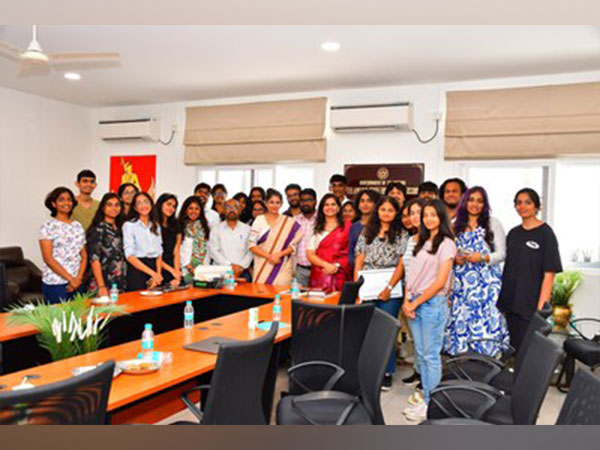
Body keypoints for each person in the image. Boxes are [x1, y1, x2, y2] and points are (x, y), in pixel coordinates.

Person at [402, 199, 456, 421]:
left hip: (432, 304)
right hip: (414, 301)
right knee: (421, 355)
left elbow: (440, 281)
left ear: (441, 217)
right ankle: (425, 398)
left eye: (433, 214)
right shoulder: (420, 241)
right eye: (425, 215)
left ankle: (432, 405)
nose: (428, 219)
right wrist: (407, 299)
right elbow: (411, 273)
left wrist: (414, 303)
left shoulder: (447, 244)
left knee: (431, 356)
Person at [444, 187, 509, 357]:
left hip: (486, 285)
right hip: (462, 285)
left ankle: (487, 363)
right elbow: (448, 254)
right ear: (465, 201)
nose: (475, 204)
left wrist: (481, 257)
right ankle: (464, 365)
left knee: (486, 322)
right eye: (471, 199)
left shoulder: (493, 223)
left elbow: (502, 254)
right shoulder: (454, 224)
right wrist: (456, 259)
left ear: (485, 204)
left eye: (480, 201)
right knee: (463, 320)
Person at [498, 188, 562, 353]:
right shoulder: (513, 233)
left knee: (529, 352)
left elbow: (549, 274)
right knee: (514, 349)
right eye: (518, 203)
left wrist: (541, 311)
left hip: (530, 305)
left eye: (527, 202)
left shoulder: (546, 234)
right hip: (511, 302)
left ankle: (527, 379)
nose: (522, 206)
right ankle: (515, 379)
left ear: (537, 207)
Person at [354, 196, 407, 390]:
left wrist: (390, 287)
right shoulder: (367, 231)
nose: (386, 213)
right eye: (383, 209)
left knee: (386, 329)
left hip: (389, 284)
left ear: (396, 213)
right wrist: (357, 285)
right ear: (378, 211)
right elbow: (359, 257)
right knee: (367, 329)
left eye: (390, 210)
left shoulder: (402, 233)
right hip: (367, 282)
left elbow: (402, 263)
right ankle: (368, 369)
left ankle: (387, 371)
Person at [39, 187, 87, 304]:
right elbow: (48, 259)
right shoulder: (47, 227)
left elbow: (84, 256)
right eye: (61, 200)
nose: (66, 203)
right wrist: (71, 279)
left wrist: (78, 279)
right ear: (53, 204)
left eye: (69, 200)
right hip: (56, 284)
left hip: (78, 283)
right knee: (58, 321)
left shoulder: (77, 226)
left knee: (79, 320)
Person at [399, 198, 427, 389]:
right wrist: (407, 298)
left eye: (419, 213)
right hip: (410, 294)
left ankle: (427, 380)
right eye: (412, 213)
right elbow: (407, 269)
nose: (414, 217)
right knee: (416, 339)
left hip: (427, 296)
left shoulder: (433, 239)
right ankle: (418, 371)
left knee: (427, 343)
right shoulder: (411, 239)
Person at [248, 189, 303, 285]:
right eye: (271, 202)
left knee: (282, 295)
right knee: (262, 294)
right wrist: (269, 257)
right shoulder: (259, 220)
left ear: (281, 204)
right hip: (263, 264)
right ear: (265, 203)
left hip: (282, 265)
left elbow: (293, 246)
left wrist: (279, 255)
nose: (274, 205)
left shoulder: (289, 222)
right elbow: (251, 245)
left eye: (277, 203)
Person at [307, 194, 351, 292]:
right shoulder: (315, 227)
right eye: (326, 205)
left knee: (338, 304)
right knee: (318, 304)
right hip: (319, 272)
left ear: (339, 208)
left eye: (333, 204)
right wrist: (325, 265)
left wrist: (336, 265)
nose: (330, 207)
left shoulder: (348, 226)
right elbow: (310, 254)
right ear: (322, 208)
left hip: (339, 272)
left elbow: (351, 252)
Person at [87, 193, 126, 296]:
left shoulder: (122, 228)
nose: (114, 208)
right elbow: (94, 259)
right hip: (102, 282)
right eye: (109, 205)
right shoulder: (99, 229)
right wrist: (101, 286)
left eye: (117, 205)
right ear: (103, 207)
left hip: (119, 281)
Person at [122, 192, 163, 291]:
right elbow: (129, 256)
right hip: (137, 269)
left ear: (151, 205)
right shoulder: (129, 225)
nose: (143, 205)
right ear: (135, 208)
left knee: (156, 303)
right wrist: (153, 274)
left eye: (146, 202)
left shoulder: (156, 226)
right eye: (139, 203)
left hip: (154, 267)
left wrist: (158, 275)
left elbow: (159, 253)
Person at [209, 198, 253, 281]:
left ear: (240, 210)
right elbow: (213, 251)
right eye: (228, 207)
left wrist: (240, 266)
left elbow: (251, 250)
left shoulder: (248, 229)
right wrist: (230, 266)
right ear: (224, 210)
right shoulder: (216, 229)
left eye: (235, 207)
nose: (232, 210)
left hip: (242, 271)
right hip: (221, 272)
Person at [179, 196, 211, 284]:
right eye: (191, 208)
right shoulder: (179, 226)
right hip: (185, 270)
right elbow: (178, 250)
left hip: (203, 270)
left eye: (197, 209)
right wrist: (189, 268)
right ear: (185, 210)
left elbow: (207, 249)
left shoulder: (204, 228)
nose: (194, 211)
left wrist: (202, 269)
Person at [155, 193, 182, 287]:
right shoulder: (153, 225)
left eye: (174, 206)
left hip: (173, 265)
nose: (171, 208)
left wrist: (177, 272)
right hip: (158, 267)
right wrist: (172, 271)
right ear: (160, 204)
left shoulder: (176, 225)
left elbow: (177, 251)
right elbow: (155, 254)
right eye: (168, 204)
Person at [348, 189, 380, 269]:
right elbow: (350, 251)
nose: (365, 204)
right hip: (357, 269)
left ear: (376, 204)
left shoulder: (381, 225)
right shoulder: (353, 227)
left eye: (369, 201)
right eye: (362, 201)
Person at [294, 188, 318, 286]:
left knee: (318, 299)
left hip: (319, 269)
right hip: (300, 270)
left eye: (309, 200)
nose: (305, 203)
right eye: (302, 200)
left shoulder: (322, 219)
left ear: (315, 202)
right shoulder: (294, 221)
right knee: (298, 299)